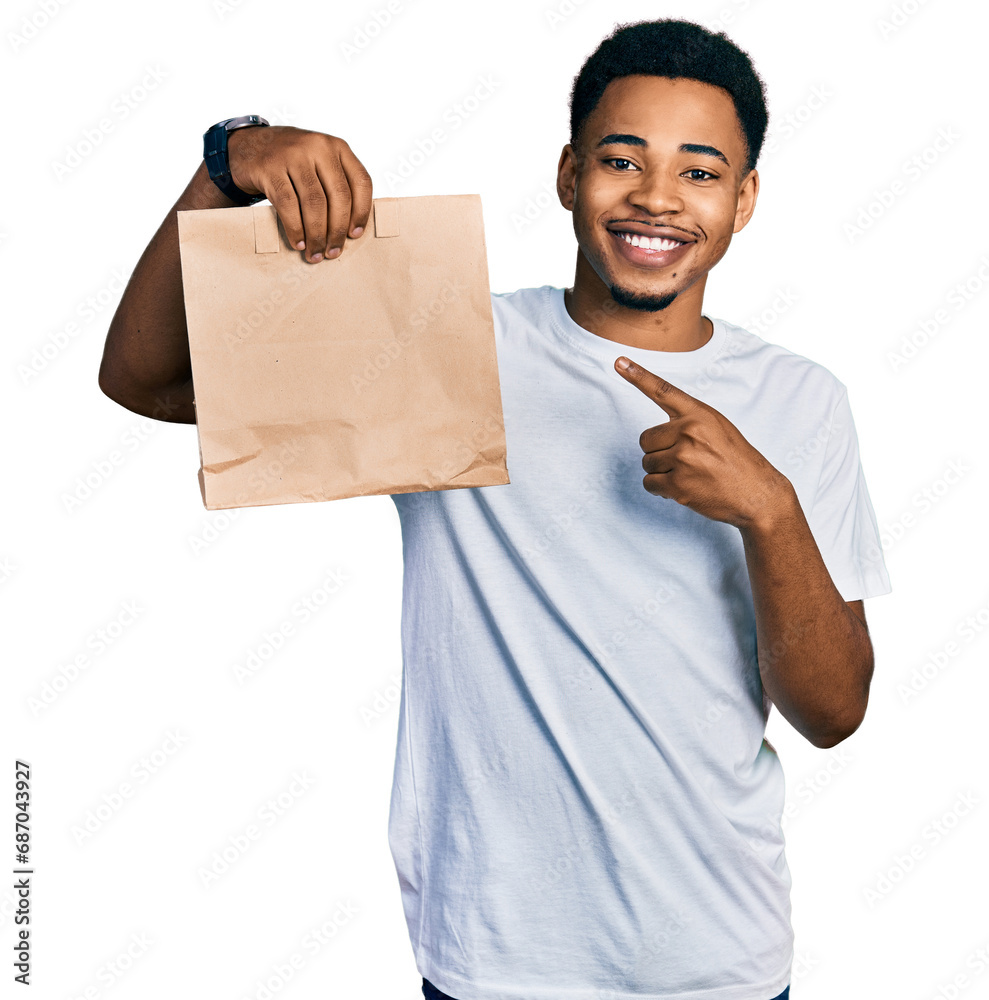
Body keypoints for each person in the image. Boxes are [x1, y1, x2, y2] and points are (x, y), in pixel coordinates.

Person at [99, 17, 891, 1000]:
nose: (654, 196)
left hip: (719, 960)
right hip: (495, 962)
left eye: (698, 171)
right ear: (567, 175)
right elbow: (140, 377)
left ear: (743, 199)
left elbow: (833, 713)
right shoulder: (451, 347)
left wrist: (768, 510)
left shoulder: (800, 398)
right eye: (619, 159)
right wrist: (226, 162)